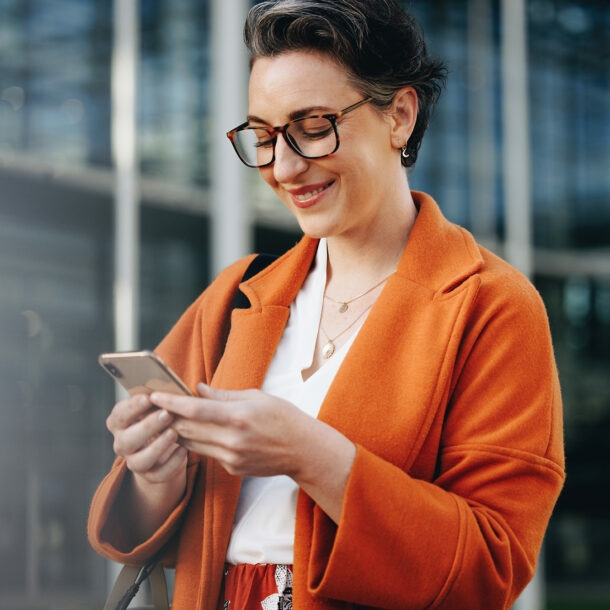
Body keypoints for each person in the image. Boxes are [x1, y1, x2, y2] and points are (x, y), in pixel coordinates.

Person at [88, 1, 565, 608]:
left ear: (399, 115)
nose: (284, 167)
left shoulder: (490, 306)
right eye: (263, 136)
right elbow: (144, 534)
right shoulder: (236, 295)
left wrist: (312, 455)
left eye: (314, 126)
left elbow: (491, 565)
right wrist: (158, 476)